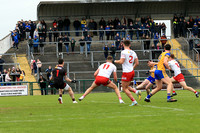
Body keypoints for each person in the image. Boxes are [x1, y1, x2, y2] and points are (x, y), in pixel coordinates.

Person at [114, 40, 141, 106]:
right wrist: (132, 68)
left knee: (124, 88)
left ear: (123, 44)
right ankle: (136, 91)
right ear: (130, 45)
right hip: (132, 71)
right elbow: (137, 63)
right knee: (126, 86)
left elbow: (121, 61)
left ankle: (134, 101)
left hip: (126, 72)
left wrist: (115, 61)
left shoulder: (123, 52)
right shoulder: (134, 52)